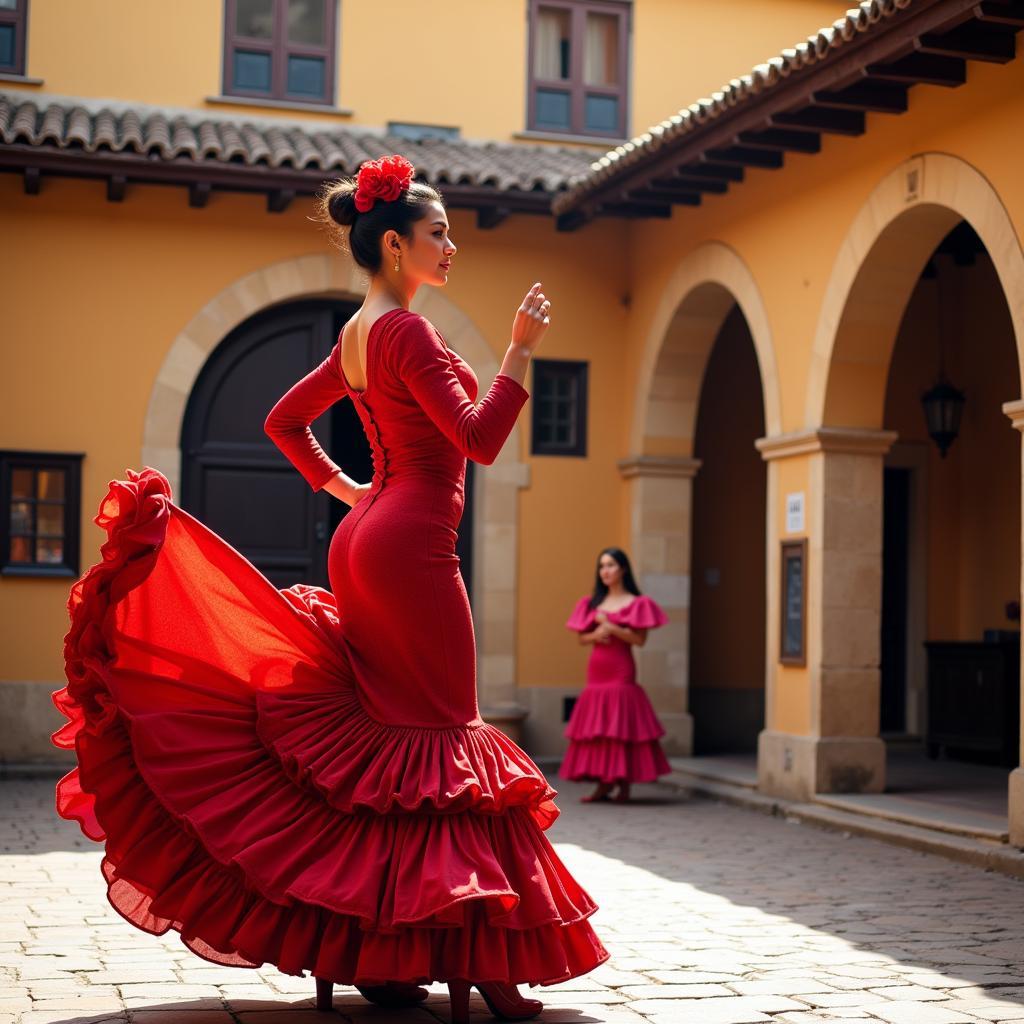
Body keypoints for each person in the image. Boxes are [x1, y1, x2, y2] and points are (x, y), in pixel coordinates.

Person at [54, 155, 607, 1023]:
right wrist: (518, 354)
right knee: (443, 746)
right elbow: (480, 440)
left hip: (370, 537)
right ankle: (480, 959)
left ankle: (390, 955)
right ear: (394, 244)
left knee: (394, 747)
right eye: (438, 235)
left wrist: (349, 492)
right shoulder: (409, 334)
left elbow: (284, 421)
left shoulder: (359, 333)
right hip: (412, 546)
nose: (452, 247)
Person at [562, 547, 671, 803]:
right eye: (602, 566)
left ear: (623, 569)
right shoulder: (591, 603)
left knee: (619, 725)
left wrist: (612, 627)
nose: (605, 571)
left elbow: (639, 640)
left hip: (621, 668)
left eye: (610, 565)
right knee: (600, 727)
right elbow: (581, 639)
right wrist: (596, 635)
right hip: (597, 670)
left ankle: (623, 784)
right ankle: (603, 784)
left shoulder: (637, 603)